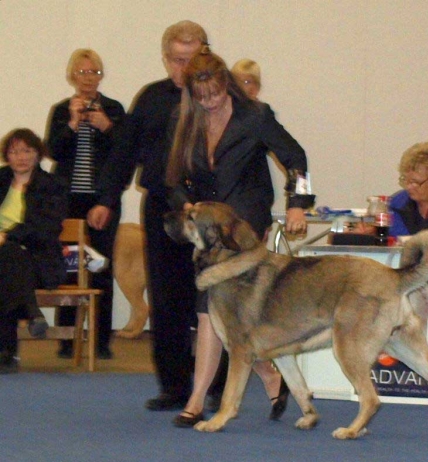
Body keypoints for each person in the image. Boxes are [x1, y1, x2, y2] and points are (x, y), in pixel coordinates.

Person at [165, 51, 314, 427]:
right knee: (224, 314)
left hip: (243, 225)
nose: (210, 102)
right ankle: (269, 376)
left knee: (209, 307)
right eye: (202, 98)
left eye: (215, 94)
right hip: (207, 227)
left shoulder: (255, 116)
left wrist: (296, 204)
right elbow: (172, 179)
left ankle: (197, 399)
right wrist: (187, 206)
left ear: (226, 84)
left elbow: (295, 157)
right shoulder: (185, 120)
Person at [86, 21, 209, 411]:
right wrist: (106, 198)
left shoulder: (222, 99)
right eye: (175, 59)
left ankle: (216, 385)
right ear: (165, 58)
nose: (181, 67)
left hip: (210, 211)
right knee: (167, 298)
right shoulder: (152, 98)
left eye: (189, 59)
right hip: (162, 209)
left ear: (205, 55)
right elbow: (124, 151)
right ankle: (174, 386)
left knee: (214, 300)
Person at [47, 49, 126, 360]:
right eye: (82, 73)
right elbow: (53, 151)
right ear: (72, 76)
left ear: (101, 76)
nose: (88, 79)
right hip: (67, 201)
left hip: (102, 201)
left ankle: (100, 342)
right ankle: (67, 340)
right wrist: (71, 123)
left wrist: (106, 125)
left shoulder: (115, 109)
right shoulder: (60, 110)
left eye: (94, 73)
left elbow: (124, 152)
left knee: (101, 267)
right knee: (68, 267)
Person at [0, 129, 68, 373]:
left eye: (27, 150)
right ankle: (32, 312)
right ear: (7, 155)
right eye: (14, 151)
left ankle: (6, 354)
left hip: (40, 260)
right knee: (7, 260)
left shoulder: (53, 185)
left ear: (38, 154)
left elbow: (48, 227)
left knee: (9, 258)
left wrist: (8, 236)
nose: (21, 156)